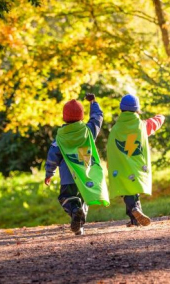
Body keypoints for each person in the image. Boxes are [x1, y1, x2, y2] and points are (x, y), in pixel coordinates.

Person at [45, 94, 109, 235]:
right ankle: (80, 221)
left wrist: (49, 173)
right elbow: (98, 117)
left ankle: (75, 213)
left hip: (68, 177)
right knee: (83, 198)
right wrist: (93, 102)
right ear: (81, 116)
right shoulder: (88, 131)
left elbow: (52, 155)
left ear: (64, 117)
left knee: (66, 199)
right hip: (85, 174)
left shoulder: (61, 137)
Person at [107, 94, 165, 227]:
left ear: (121, 109)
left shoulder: (116, 128)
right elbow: (154, 123)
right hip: (136, 165)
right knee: (133, 190)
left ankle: (135, 215)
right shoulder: (141, 126)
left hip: (121, 164)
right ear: (137, 110)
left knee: (127, 191)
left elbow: (111, 147)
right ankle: (135, 213)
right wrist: (161, 117)